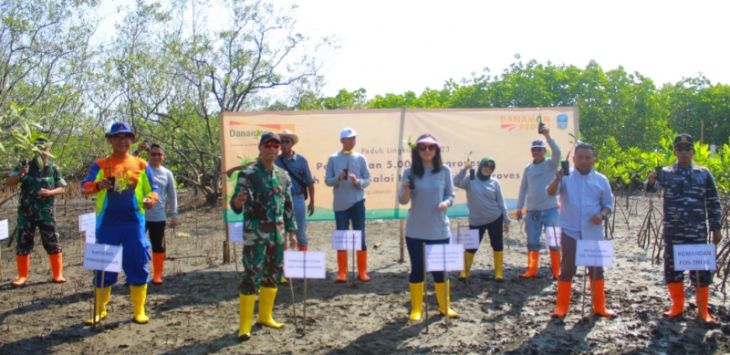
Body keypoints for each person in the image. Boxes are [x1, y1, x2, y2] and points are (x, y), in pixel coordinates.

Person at [81, 122, 159, 325]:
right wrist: (99, 185)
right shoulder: (100, 164)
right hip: (108, 223)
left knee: (136, 261)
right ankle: (99, 310)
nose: (122, 141)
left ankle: (139, 310)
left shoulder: (142, 164)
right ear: (110, 140)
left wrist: (150, 200)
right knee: (104, 265)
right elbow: (85, 187)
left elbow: (154, 189)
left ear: (132, 140)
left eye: (126, 137)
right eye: (117, 137)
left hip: (134, 222)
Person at [645, 133, 722, 323]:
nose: (684, 152)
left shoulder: (704, 173)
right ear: (675, 152)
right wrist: (651, 181)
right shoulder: (666, 173)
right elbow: (649, 189)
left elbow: (713, 202)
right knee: (672, 268)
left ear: (693, 151)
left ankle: (702, 310)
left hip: (697, 231)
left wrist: (716, 227)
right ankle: (677, 306)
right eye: (680, 149)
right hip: (673, 231)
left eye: (688, 148)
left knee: (701, 270)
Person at [230, 132, 297, 341]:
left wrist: (292, 231)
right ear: (260, 148)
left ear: (279, 149)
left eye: (275, 146)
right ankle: (244, 326)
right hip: (255, 235)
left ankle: (266, 316)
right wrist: (239, 202)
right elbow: (235, 204)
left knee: (273, 275)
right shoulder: (248, 174)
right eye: (267, 145)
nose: (272, 149)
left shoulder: (283, 176)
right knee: (251, 276)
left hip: (277, 236)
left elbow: (288, 206)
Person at [548, 142, 616, 319]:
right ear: (574, 159)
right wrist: (557, 178)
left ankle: (600, 306)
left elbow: (608, 206)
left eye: (588, 157)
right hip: (570, 231)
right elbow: (550, 193)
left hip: (593, 232)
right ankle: (561, 307)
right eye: (580, 157)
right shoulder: (565, 177)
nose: (584, 161)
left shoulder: (601, 180)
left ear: (594, 159)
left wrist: (601, 216)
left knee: (596, 270)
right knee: (567, 268)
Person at [399, 134, 458, 321]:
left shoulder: (444, 170)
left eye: (431, 147)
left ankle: (444, 306)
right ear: (416, 150)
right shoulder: (409, 172)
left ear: (437, 150)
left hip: (439, 229)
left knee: (440, 270)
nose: (427, 151)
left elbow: (451, 194)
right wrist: (406, 189)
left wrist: (446, 203)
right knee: (417, 269)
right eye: (422, 147)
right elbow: (402, 200)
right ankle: (416, 308)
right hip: (415, 230)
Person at [5, 137, 67, 286]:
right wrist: (20, 174)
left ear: (49, 151)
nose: (41, 153)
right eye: (38, 150)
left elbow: (62, 188)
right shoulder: (25, 165)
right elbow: (9, 182)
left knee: (52, 241)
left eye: (44, 150)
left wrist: (50, 193)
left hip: (46, 212)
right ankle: (22, 276)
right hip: (26, 213)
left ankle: (58, 275)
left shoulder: (53, 168)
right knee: (23, 242)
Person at [324, 127, 371, 282]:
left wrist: (357, 182)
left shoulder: (360, 158)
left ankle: (362, 271)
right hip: (340, 204)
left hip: (358, 202)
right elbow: (327, 181)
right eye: (349, 138)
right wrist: (338, 178)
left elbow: (368, 180)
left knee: (360, 235)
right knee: (341, 236)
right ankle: (342, 272)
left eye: (354, 138)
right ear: (342, 141)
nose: (352, 141)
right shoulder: (333, 158)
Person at [453, 157, 510, 282]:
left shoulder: (495, 182)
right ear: (480, 166)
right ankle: (465, 272)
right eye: (485, 165)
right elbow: (456, 182)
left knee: (497, 245)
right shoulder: (470, 179)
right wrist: (464, 169)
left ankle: (499, 273)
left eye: (491, 167)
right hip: (476, 220)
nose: (487, 168)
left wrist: (506, 219)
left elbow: (501, 201)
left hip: (494, 217)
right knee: (471, 246)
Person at [516, 128, 562, 279]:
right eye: (534, 150)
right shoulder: (528, 169)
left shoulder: (551, 164)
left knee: (554, 241)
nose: (536, 152)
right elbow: (523, 189)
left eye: (539, 149)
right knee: (532, 242)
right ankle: (532, 269)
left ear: (544, 150)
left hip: (551, 210)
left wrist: (547, 135)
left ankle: (557, 270)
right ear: (531, 152)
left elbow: (557, 151)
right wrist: (519, 207)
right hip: (532, 211)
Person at [275, 129, 315, 251]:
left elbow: (309, 182)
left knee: (301, 232)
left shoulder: (301, 160)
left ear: (292, 143)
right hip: (280, 200)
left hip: (298, 199)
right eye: (281, 142)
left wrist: (312, 202)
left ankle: (302, 264)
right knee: (282, 233)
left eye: (287, 141)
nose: (284, 145)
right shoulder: (275, 160)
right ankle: (283, 265)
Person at [145, 143, 178, 284]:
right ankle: (139, 274)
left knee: (157, 245)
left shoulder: (167, 173)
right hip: (140, 215)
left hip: (158, 217)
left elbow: (172, 195)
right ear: (149, 155)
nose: (156, 157)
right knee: (138, 245)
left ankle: (157, 275)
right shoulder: (142, 169)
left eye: (159, 154)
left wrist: (174, 214)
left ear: (163, 156)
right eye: (153, 154)